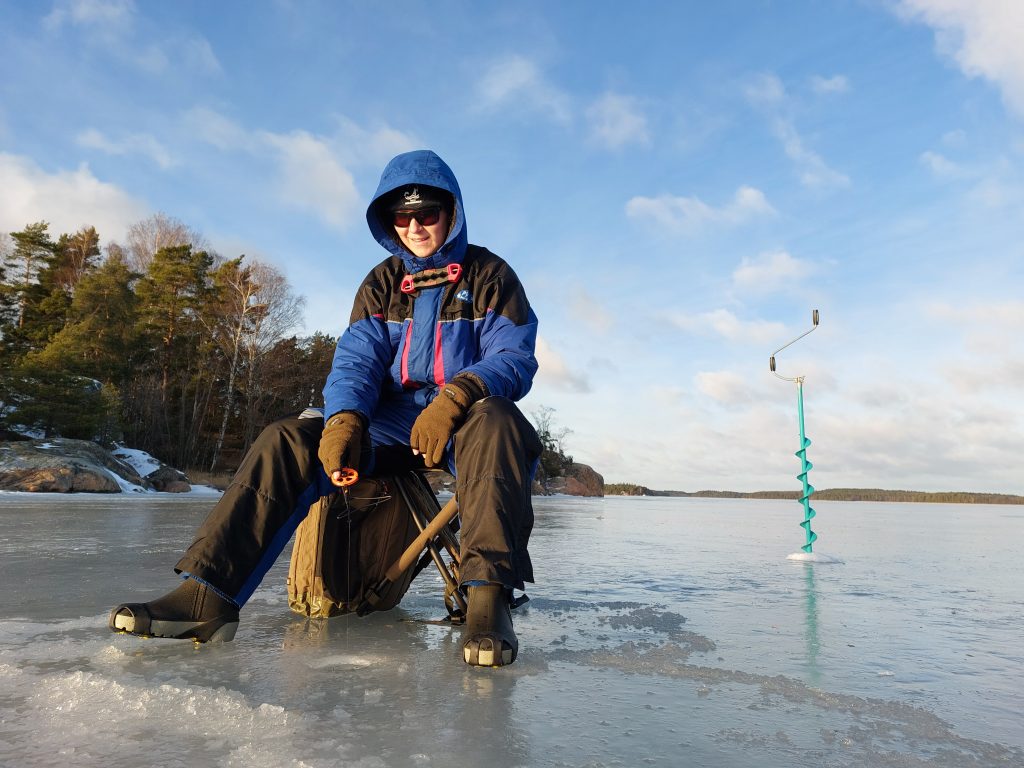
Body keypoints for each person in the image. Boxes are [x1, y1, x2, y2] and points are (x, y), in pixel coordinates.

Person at [109, 150, 542, 667]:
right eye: (401, 217)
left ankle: (488, 599)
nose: (415, 226)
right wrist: (344, 419)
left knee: (501, 424)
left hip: (464, 421)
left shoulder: (491, 275)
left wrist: (456, 395)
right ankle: (209, 594)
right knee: (286, 439)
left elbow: (515, 357)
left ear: (451, 212)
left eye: (426, 213)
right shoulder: (380, 284)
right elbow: (357, 361)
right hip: (388, 422)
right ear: (388, 222)